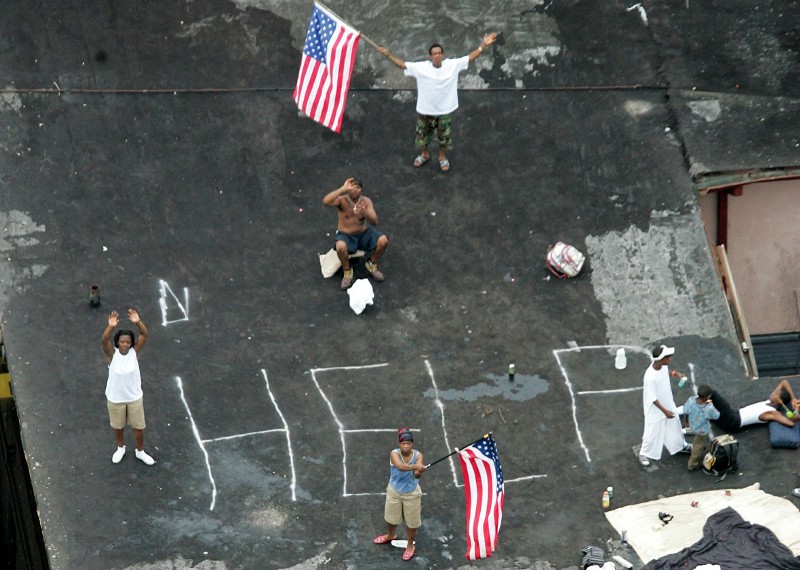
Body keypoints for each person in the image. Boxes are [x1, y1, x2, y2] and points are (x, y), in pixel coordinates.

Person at [378, 33, 498, 172]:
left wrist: (483, 45)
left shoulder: (452, 65)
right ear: (430, 56)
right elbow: (402, 65)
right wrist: (388, 54)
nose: (437, 55)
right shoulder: (421, 67)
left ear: (443, 55)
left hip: (444, 110)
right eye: (434, 53)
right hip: (425, 110)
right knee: (423, 136)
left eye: (439, 53)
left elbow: (471, 57)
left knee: (444, 137)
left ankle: (442, 157)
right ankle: (424, 154)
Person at [102, 309, 155, 465]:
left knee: (138, 427)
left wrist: (138, 322)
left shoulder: (134, 352)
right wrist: (110, 326)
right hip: (115, 398)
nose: (125, 344)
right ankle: (120, 448)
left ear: (131, 343)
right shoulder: (113, 354)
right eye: (122, 341)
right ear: (118, 342)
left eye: (128, 342)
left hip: (134, 397)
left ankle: (140, 451)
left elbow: (144, 334)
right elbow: (104, 341)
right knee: (118, 427)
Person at [322, 177, 389, 290]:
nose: (355, 190)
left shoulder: (366, 201)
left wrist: (365, 212)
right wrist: (342, 188)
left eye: (358, 187)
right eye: (352, 187)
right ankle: (347, 271)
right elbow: (326, 201)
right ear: (348, 189)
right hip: (346, 235)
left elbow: (374, 222)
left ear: (361, 190)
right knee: (340, 246)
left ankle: (372, 264)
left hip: (362, 234)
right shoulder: (342, 200)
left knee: (383, 240)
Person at [373, 428, 427, 561]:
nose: (406, 446)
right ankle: (391, 535)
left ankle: (410, 545)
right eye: (404, 443)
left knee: (412, 522)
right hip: (394, 491)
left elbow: (417, 474)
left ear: (412, 444)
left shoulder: (418, 455)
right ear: (399, 443)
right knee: (390, 518)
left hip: (411, 493)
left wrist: (420, 471)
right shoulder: (394, 453)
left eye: (409, 443)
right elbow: (400, 466)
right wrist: (416, 466)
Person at [639, 345, 692, 467]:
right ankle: (644, 453)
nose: (670, 359)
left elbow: (664, 372)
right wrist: (665, 411)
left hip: (668, 404)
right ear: (661, 359)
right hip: (655, 410)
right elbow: (652, 398)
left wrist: (675, 373)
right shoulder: (649, 377)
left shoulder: (662, 366)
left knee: (675, 426)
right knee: (651, 432)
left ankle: (681, 446)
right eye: (668, 357)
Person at [709, 378, 800, 433]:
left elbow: (791, 422)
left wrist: (796, 408)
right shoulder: (769, 400)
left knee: (713, 394)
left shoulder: (773, 413)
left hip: (733, 421)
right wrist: (793, 398)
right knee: (709, 411)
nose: (773, 393)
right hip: (733, 416)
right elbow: (784, 382)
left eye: (776, 394)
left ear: (780, 401)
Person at [683, 385, 720, 471]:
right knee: (698, 446)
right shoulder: (708, 408)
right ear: (708, 396)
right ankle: (692, 464)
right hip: (702, 430)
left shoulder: (691, 400)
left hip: (693, 424)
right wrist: (711, 404)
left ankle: (702, 447)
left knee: (700, 441)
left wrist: (686, 422)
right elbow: (716, 416)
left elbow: (685, 411)